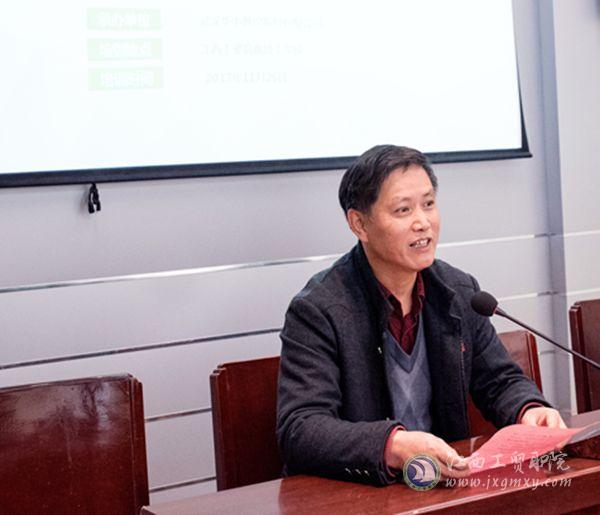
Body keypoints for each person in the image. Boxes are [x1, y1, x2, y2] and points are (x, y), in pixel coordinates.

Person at [276, 145, 565, 486]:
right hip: (363, 492)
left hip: (444, 487)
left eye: (428, 204)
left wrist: (529, 409)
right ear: (359, 224)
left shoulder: (458, 291)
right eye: (403, 210)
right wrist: (392, 446)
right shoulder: (318, 309)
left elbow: (499, 380)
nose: (423, 222)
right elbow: (301, 428)